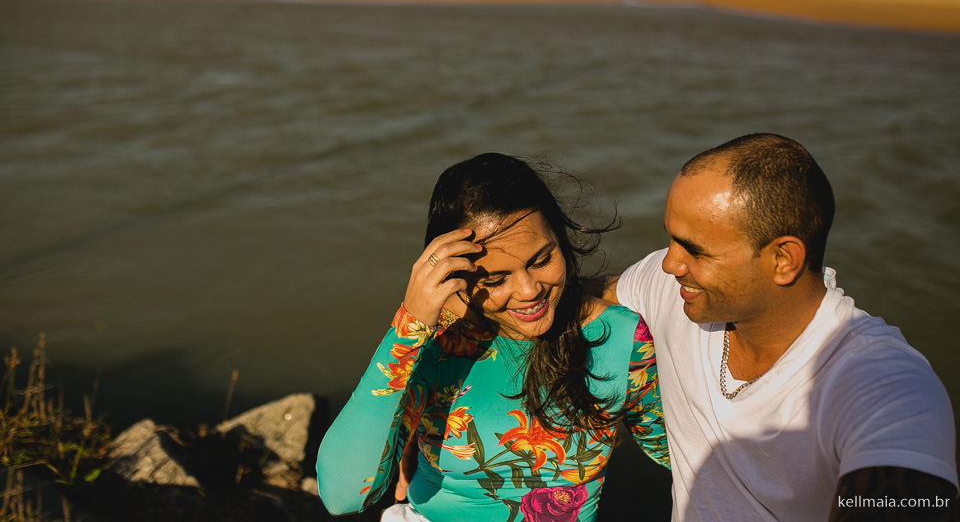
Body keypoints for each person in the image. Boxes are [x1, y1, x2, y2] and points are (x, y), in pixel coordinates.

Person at [604, 133, 958, 521]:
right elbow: (570, 301)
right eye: (671, 239)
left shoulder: (884, 385)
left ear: (784, 259)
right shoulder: (671, 288)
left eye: (695, 249)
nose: (670, 264)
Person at [316, 153, 670, 522]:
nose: (530, 290)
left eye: (542, 260)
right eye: (496, 280)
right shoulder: (438, 340)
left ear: (560, 239)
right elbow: (343, 496)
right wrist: (409, 325)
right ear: (458, 277)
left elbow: (680, 452)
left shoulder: (620, 337)